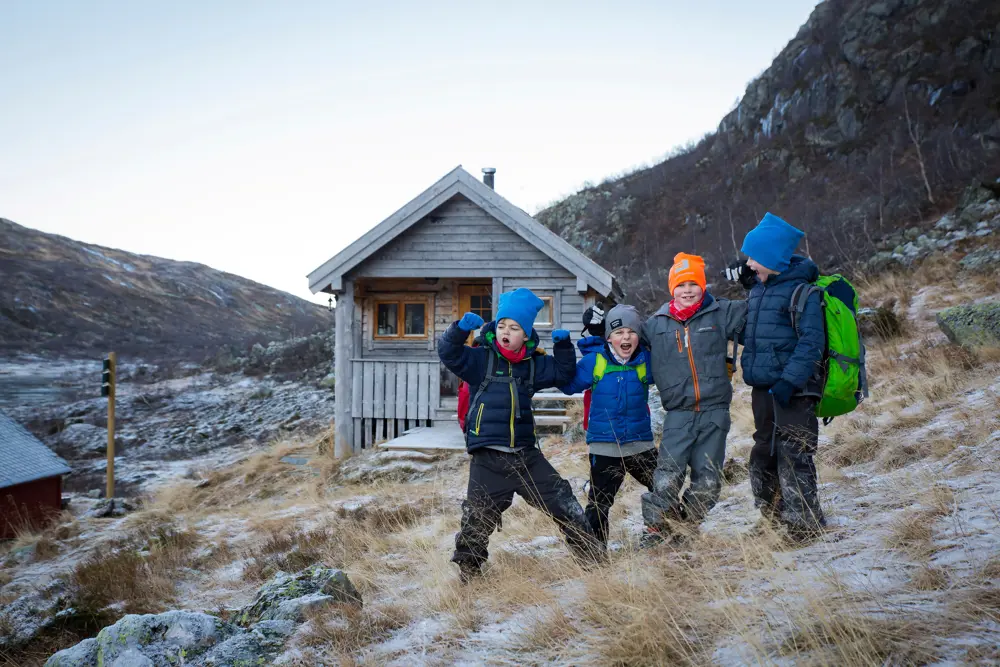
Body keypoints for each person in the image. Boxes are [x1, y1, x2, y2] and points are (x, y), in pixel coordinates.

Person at [438, 288, 605, 582]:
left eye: (514, 328)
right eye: (502, 325)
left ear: (525, 335)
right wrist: (459, 329)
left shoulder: (533, 364)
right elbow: (448, 353)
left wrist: (564, 346)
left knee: (563, 501)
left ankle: (594, 559)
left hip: (526, 456)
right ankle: (469, 572)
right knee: (477, 517)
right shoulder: (481, 360)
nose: (506, 331)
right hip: (487, 458)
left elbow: (564, 375)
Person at [726, 213, 827, 542]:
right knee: (764, 452)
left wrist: (789, 381)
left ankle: (803, 525)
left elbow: (813, 344)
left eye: (755, 257)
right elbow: (755, 335)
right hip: (763, 390)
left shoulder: (805, 294)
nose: (750, 263)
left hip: (794, 390)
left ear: (773, 258)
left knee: (794, 452)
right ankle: (772, 518)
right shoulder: (757, 292)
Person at [640, 253, 747, 546]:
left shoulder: (721, 312)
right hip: (678, 413)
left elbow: (759, 312)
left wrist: (751, 284)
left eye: (694, 283)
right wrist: (601, 331)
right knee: (666, 477)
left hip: (715, 412)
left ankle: (685, 528)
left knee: (709, 480)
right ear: (671, 288)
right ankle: (655, 531)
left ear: (703, 285)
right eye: (681, 284)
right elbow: (623, 342)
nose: (688, 290)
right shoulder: (655, 324)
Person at [560, 305, 657, 547]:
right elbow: (568, 384)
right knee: (599, 502)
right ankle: (595, 551)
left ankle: (661, 532)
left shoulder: (646, 360)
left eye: (631, 332)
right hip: (605, 446)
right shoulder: (596, 361)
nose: (626, 337)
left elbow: (671, 372)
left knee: (662, 487)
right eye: (619, 332)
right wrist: (563, 351)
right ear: (608, 337)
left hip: (640, 443)